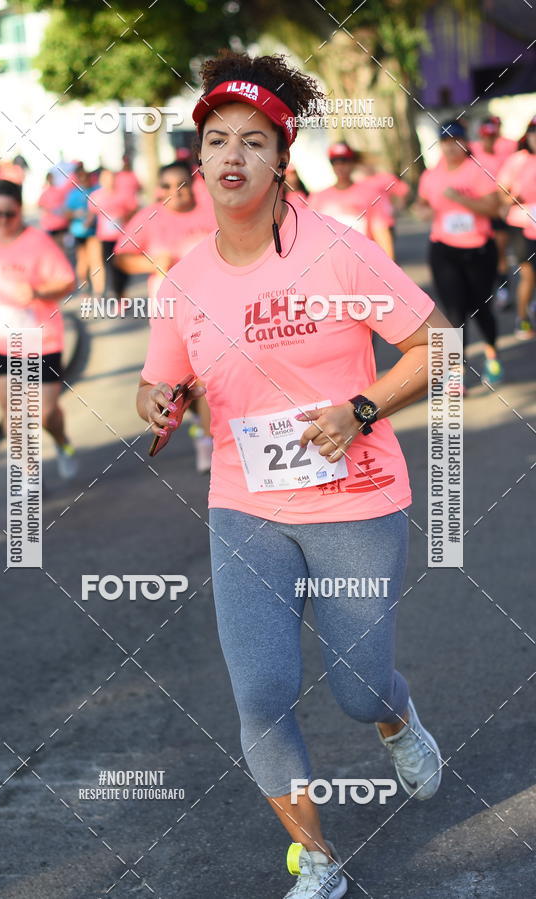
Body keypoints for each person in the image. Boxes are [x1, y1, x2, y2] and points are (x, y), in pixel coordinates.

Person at [137, 50, 448, 898]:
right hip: (246, 507)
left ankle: (397, 718)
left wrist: (361, 409)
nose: (232, 156)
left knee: (357, 689)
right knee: (262, 693)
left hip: (353, 499)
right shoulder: (184, 280)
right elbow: (159, 379)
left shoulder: (337, 250)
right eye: (216, 141)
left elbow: (436, 348)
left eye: (253, 141)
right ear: (199, 159)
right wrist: (158, 402)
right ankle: (318, 859)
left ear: (282, 159)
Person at [0, 179, 79, 479]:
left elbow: (68, 282)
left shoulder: (39, 242)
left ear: (20, 210)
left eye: (9, 214)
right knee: (13, 414)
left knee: (45, 414)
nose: (2, 220)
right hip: (0, 343)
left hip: (42, 340)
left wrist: (38, 292)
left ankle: (62, 442)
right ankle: (28, 475)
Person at [115, 161, 217, 472]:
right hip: (169, 310)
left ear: (193, 185)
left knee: (206, 374)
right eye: (168, 186)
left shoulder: (212, 210)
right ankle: (199, 423)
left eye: (181, 185)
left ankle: (207, 439)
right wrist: (152, 264)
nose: (176, 192)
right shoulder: (150, 217)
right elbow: (122, 258)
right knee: (182, 378)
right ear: (160, 190)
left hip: (211, 306)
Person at [415, 120, 503, 389]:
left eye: (456, 141)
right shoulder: (431, 175)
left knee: (481, 308)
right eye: (445, 142)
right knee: (453, 312)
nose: (450, 147)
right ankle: (456, 371)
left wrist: (461, 198)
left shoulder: (479, 171)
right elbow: (421, 203)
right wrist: (423, 211)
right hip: (444, 250)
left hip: (479, 250)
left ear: (466, 142)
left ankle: (491, 354)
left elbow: (493, 209)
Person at [309, 142, 394, 258]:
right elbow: (311, 236)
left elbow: (382, 233)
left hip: (363, 261)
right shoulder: (317, 198)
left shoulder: (371, 194)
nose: (340, 166)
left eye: (344, 161)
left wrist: (388, 264)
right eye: (335, 161)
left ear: (353, 163)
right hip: (330, 262)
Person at [470, 116, 518, 307]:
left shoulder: (507, 152)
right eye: (485, 136)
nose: (489, 140)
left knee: (504, 251)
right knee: (490, 252)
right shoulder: (473, 152)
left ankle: (504, 289)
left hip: (503, 208)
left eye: (492, 136)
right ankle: (493, 289)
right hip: (483, 210)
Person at [497, 115, 536, 339]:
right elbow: (501, 192)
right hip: (521, 224)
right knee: (528, 274)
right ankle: (522, 319)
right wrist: (512, 198)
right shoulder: (518, 160)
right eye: (533, 133)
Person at [86, 170, 132, 299]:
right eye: (106, 179)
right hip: (105, 238)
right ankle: (114, 294)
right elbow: (91, 215)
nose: (109, 181)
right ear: (101, 181)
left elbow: (133, 211)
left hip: (123, 237)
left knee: (123, 266)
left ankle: (121, 292)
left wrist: (124, 218)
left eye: (111, 178)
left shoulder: (123, 195)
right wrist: (87, 224)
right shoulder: (96, 196)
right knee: (110, 265)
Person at [65, 166, 105, 297]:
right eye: (81, 177)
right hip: (79, 232)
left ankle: (99, 290)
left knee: (96, 260)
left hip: (94, 231)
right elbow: (66, 213)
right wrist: (77, 214)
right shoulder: (74, 194)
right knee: (83, 261)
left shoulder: (97, 190)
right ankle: (84, 285)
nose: (84, 180)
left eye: (86, 177)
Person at [38, 171, 71, 250]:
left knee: (58, 246)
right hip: (52, 224)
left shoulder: (56, 191)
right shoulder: (46, 192)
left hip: (58, 223)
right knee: (57, 246)